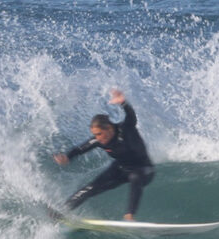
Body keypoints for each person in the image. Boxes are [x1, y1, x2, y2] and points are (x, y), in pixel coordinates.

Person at [53, 88, 154, 220]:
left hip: (144, 169)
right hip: (121, 168)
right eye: (95, 135)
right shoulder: (99, 140)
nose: (97, 138)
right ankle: (60, 212)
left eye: (99, 133)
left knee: (135, 177)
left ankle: (130, 215)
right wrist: (67, 157)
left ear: (109, 128)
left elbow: (131, 117)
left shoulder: (126, 129)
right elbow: (80, 149)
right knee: (89, 189)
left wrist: (123, 103)